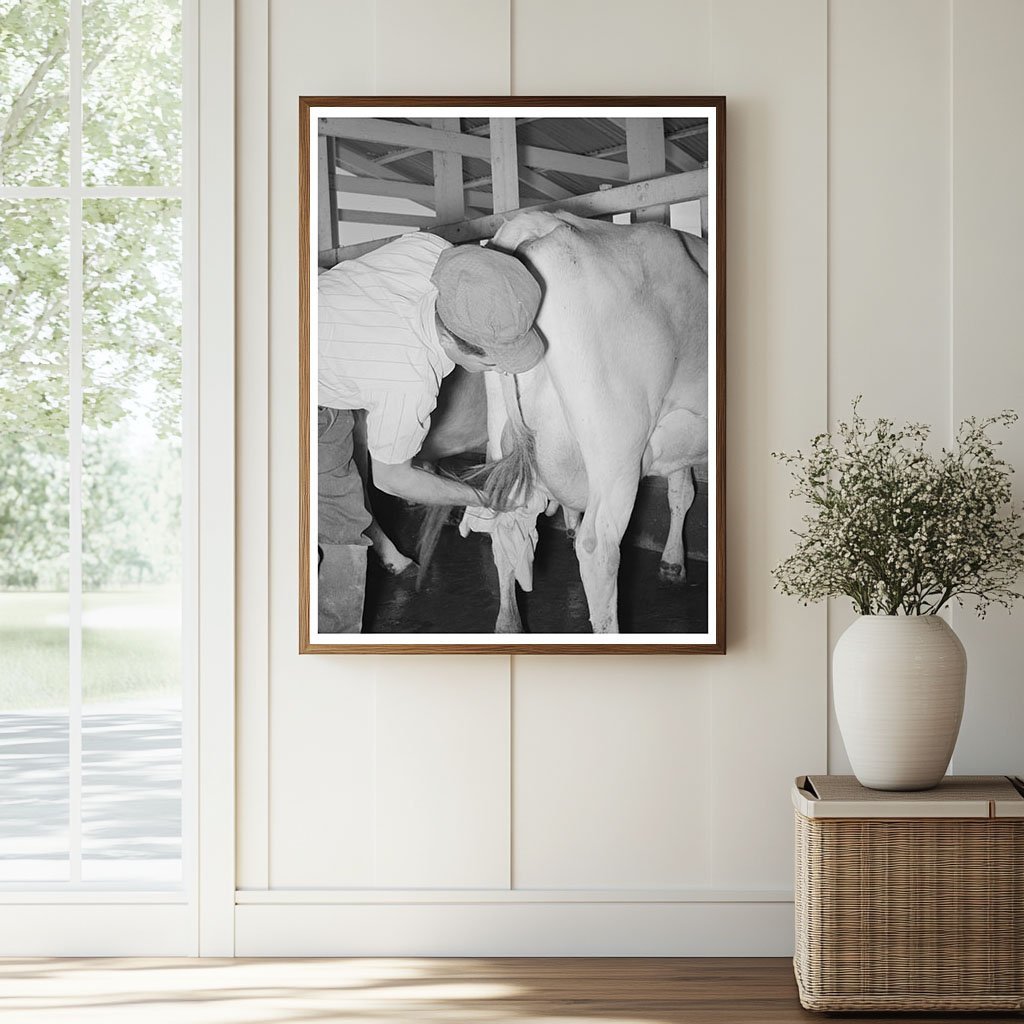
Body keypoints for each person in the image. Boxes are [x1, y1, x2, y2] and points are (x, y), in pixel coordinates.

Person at [317, 231, 544, 633]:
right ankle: (331, 643)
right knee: (341, 525)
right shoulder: (408, 380)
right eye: (493, 362)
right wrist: (483, 498)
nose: (501, 369)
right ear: (453, 343)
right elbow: (392, 478)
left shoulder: (434, 253)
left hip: (298, 310)